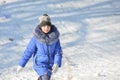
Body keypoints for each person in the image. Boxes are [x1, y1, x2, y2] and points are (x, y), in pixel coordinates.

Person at [17, 14, 63, 80]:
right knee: (45, 77)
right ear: (40, 26)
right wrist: (21, 64)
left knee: (44, 77)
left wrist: (57, 63)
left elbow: (58, 52)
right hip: (40, 64)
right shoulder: (36, 38)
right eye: (44, 26)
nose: (46, 28)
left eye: (48, 26)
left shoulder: (55, 38)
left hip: (50, 65)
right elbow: (29, 51)